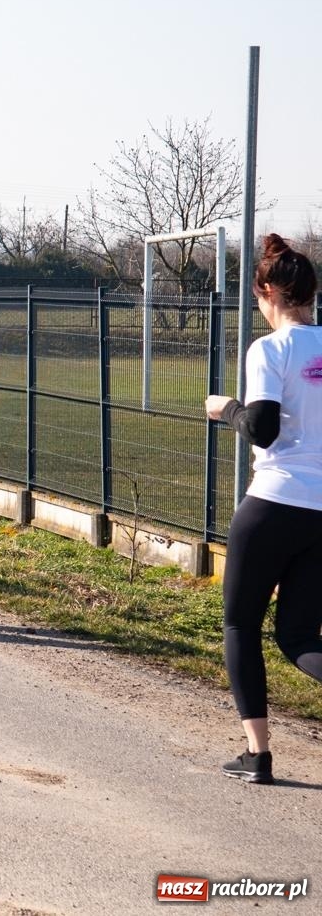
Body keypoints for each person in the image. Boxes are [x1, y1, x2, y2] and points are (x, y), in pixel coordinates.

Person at [205, 233, 322, 785]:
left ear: (268, 292)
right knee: (299, 637)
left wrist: (225, 408)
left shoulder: (269, 349)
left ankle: (258, 756)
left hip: (274, 503)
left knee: (240, 623)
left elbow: (264, 429)